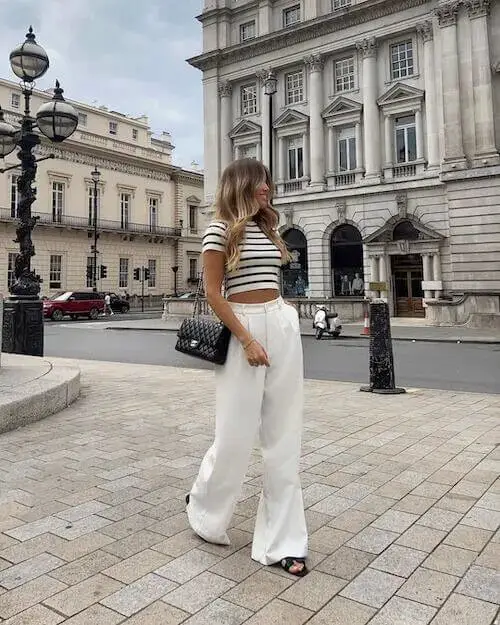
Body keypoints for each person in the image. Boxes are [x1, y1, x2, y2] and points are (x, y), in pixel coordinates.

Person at [186, 158, 308, 577]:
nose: (268, 190)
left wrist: (281, 312)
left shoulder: (267, 228)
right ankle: (205, 504)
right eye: (261, 184)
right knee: (235, 435)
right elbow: (213, 293)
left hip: (280, 324)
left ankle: (284, 542)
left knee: (284, 436)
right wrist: (249, 338)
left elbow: (270, 279)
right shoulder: (220, 228)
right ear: (242, 184)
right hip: (244, 331)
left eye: (269, 184)